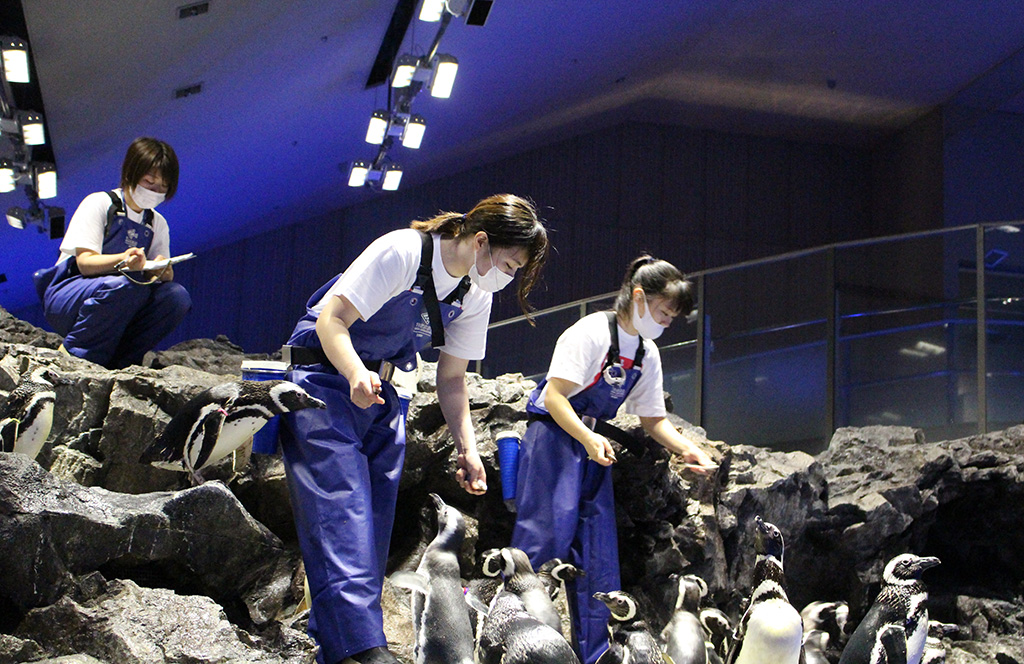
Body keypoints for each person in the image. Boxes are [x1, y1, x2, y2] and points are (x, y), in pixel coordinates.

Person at [279, 193, 549, 664]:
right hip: (325, 383)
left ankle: (338, 643)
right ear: (480, 241)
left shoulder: (474, 293)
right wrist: (352, 373)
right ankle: (360, 651)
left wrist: (468, 448)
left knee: (374, 529)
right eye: (508, 264)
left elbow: (451, 378)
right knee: (341, 517)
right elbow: (332, 319)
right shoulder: (404, 251)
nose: (506, 277)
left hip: (382, 398)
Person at [510, 255, 718, 664]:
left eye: (671, 318)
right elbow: (554, 396)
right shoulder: (590, 332)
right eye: (662, 312)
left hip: (592, 450)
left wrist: (689, 449)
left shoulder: (645, 353)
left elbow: (654, 420)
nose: (664, 322)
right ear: (638, 298)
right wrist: (587, 437)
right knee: (541, 546)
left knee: (597, 558)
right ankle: (520, 647)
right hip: (555, 439)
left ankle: (596, 655)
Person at [37, 137, 191, 369]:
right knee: (126, 285)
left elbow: (158, 275)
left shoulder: (156, 223)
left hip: (124, 302)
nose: (155, 191)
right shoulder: (99, 203)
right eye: (149, 182)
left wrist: (163, 271)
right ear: (131, 173)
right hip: (71, 295)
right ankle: (75, 356)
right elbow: (85, 263)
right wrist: (123, 260)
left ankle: (122, 361)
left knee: (176, 296)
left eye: (162, 188)